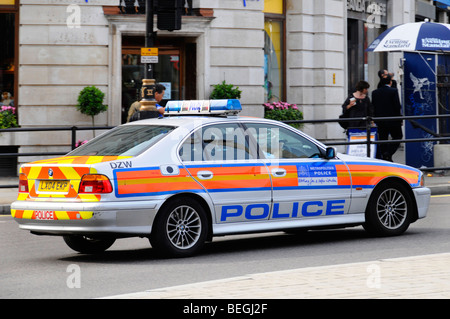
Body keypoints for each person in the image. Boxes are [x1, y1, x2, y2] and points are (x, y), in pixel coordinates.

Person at [372, 75, 403, 162]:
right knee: (397, 136)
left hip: (380, 120)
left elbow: (373, 106)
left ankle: (385, 156)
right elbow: (397, 106)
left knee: (383, 139)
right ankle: (388, 153)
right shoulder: (393, 91)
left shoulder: (375, 92)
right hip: (393, 119)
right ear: (390, 82)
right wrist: (399, 119)